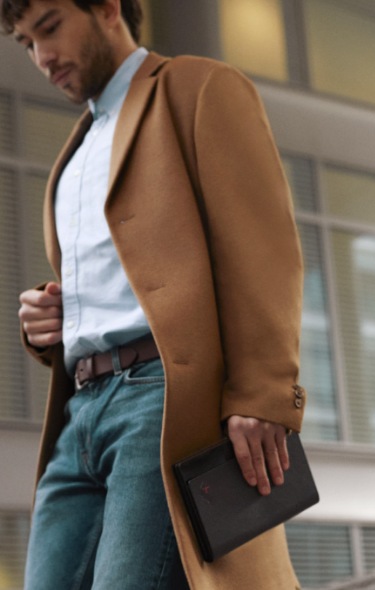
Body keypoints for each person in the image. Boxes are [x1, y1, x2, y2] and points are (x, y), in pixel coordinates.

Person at [3, 0, 306, 587]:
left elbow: (262, 247)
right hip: (78, 414)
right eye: (24, 43)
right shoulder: (74, 153)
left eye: (49, 28)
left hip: (157, 402)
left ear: (108, 8)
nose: (42, 57)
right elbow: (126, 279)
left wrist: (264, 391)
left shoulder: (198, 89)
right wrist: (50, 319)